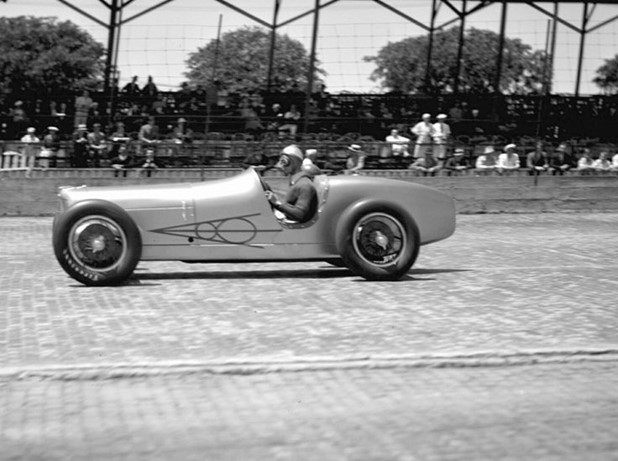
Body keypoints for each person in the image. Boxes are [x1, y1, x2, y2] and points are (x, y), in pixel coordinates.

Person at [264, 144, 318, 223]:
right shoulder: (296, 182)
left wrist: (277, 203)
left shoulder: (305, 185)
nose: (280, 166)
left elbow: (299, 214)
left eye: (283, 161)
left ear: (292, 162)